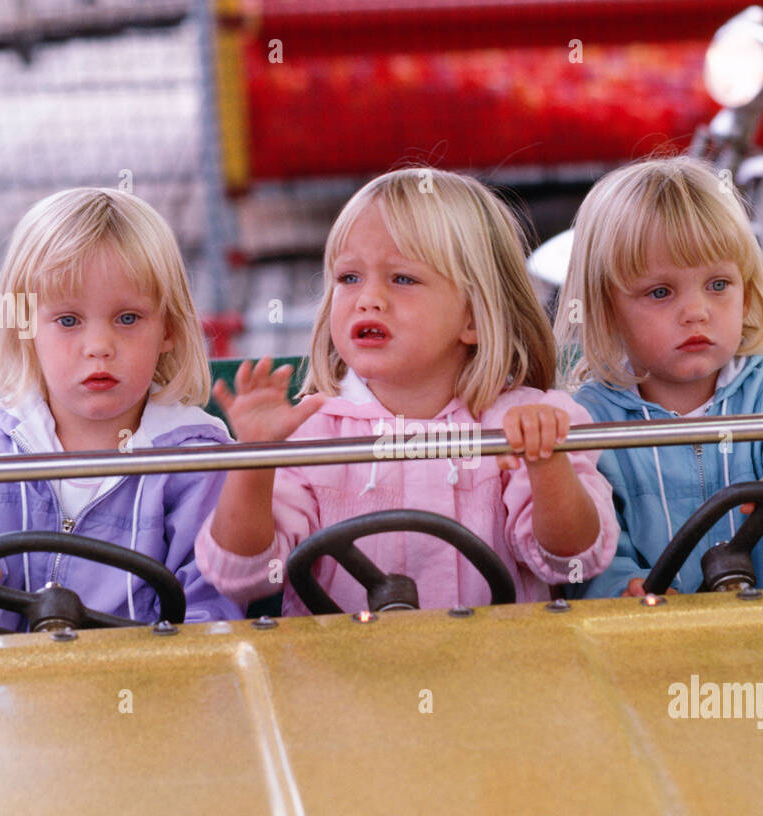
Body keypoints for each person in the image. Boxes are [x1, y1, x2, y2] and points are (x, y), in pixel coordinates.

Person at [196, 167, 618, 615]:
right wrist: (256, 457)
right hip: (341, 677)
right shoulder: (308, 432)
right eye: (349, 278)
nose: (368, 299)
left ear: (474, 318)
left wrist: (545, 461)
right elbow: (241, 577)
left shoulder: (532, 421)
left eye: (402, 279)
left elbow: (572, 562)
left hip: (499, 675)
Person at [0, 187, 240, 634]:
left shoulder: (195, 458)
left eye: (128, 318)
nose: (99, 348)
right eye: (69, 321)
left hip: (147, 688)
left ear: (168, 329)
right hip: (10, 687)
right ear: (25, 328)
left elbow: (212, 600)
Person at [557, 155, 763, 597]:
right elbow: (584, 557)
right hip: (647, 646)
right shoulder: (588, 423)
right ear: (606, 310)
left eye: (718, 284)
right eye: (660, 292)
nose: (697, 312)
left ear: (748, 289)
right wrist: (618, 589)